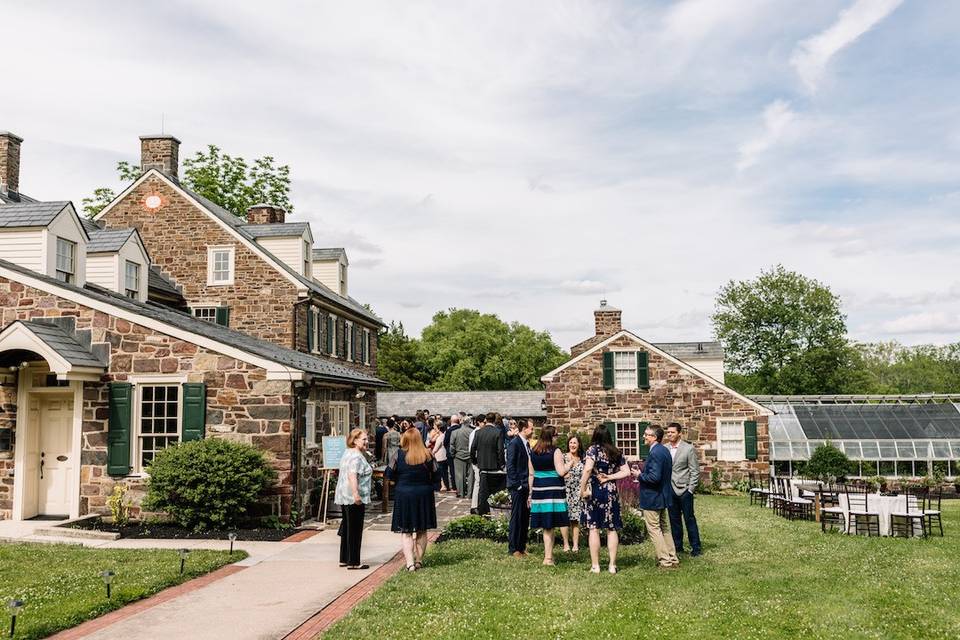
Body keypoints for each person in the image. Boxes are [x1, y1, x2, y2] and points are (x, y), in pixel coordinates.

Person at [579, 423, 631, 574]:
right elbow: (626, 471)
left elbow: (588, 469)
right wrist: (610, 477)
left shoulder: (592, 450)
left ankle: (595, 565)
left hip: (595, 490)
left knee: (593, 527)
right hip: (610, 491)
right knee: (611, 527)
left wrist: (582, 489)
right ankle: (612, 565)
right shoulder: (615, 452)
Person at [386, 428, 438, 571]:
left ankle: (409, 563)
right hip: (423, 494)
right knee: (421, 529)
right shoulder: (428, 455)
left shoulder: (398, 455)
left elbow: (389, 473)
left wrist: (399, 481)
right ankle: (419, 560)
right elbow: (436, 474)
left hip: (404, 494)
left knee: (406, 531)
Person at [528, 425, 570, 565]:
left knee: (547, 525)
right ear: (551, 437)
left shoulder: (533, 451)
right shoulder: (555, 451)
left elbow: (531, 473)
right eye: (556, 435)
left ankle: (549, 555)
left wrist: (530, 493)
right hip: (553, 490)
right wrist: (570, 464)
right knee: (549, 524)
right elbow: (560, 472)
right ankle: (547, 557)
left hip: (539, 489)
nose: (557, 438)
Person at [639, 425, 679, 569]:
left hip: (652, 497)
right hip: (662, 496)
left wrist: (639, 475)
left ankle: (665, 561)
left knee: (654, 529)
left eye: (647, 434)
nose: (644, 436)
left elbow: (654, 477)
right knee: (664, 528)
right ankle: (672, 558)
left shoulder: (655, 452)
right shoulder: (664, 450)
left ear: (654, 437)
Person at [334, 428, 373, 570]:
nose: (366, 442)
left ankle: (345, 558)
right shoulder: (356, 456)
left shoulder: (347, 453)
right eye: (364, 439)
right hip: (353, 497)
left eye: (366, 439)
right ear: (355, 440)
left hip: (344, 496)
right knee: (355, 529)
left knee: (347, 528)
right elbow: (352, 475)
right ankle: (354, 561)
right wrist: (356, 494)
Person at [665, 422, 701, 557]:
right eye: (668, 432)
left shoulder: (688, 449)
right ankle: (678, 547)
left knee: (689, 519)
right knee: (674, 520)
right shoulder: (665, 448)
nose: (669, 434)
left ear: (679, 433)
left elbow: (695, 471)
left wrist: (690, 489)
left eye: (672, 432)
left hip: (685, 490)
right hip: (670, 490)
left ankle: (696, 548)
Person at [506, 418, 533, 557]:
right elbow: (510, 466)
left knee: (524, 517)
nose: (533, 431)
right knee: (516, 517)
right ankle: (514, 548)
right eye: (531, 428)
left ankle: (522, 546)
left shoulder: (527, 444)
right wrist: (517, 485)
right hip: (518, 486)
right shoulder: (514, 443)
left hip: (526, 485)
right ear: (524, 429)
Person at [471, 412, 506, 516]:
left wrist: (475, 461)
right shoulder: (497, 432)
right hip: (495, 467)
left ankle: (483, 512)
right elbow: (500, 450)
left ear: (486, 420)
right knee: (496, 492)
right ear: (494, 420)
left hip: (482, 466)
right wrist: (502, 464)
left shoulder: (478, 432)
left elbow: (472, 449)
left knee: (483, 492)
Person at [560, 434, 585, 552]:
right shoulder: (563, 457)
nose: (572, 445)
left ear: (579, 445)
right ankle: (566, 544)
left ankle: (575, 545)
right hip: (565, 490)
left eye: (574, 443)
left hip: (577, 492)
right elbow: (558, 472)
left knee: (575, 519)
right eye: (570, 442)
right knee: (564, 518)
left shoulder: (582, 459)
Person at [449, 414, 475, 499]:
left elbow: (452, 446)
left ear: (461, 422)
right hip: (470, 456)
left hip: (459, 456)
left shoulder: (455, 432)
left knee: (460, 476)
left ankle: (461, 493)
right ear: (469, 422)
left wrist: (452, 454)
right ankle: (470, 494)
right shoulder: (473, 432)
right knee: (471, 476)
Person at [432, 422, 451, 492]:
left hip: (440, 457)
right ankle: (445, 485)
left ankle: (445, 486)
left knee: (442, 473)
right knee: (444, 472)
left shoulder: (441, 436)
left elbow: (436, 448)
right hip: (442, 456)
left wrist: (432, 453)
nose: (434, 428)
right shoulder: (442, 435)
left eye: (435, 427)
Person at [443, 414, 461, 490]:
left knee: (452, 470)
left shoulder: (449, 430)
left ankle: (454, 486)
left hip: (450, 453)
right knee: (460, 471)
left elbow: (445, 442)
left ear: (451, 421)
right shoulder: (461, 429)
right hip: (460, 452)